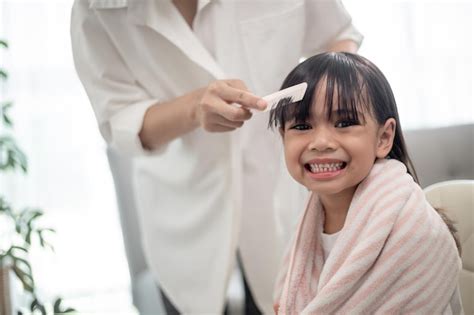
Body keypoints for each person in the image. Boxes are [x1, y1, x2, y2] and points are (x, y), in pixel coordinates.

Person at [70, 0, 363, 313]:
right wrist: (193, 108)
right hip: (182, 210)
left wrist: (329, 102)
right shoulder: (97, 8)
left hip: (283, 195)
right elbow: (120, 119)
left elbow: (338, 35)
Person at [269, 52, 463, 314]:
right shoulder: (307, 221)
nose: (321, 142)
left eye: (344, 122)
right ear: (283, 137)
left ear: (384, 137)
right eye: (302, 126)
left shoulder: (414, 230)